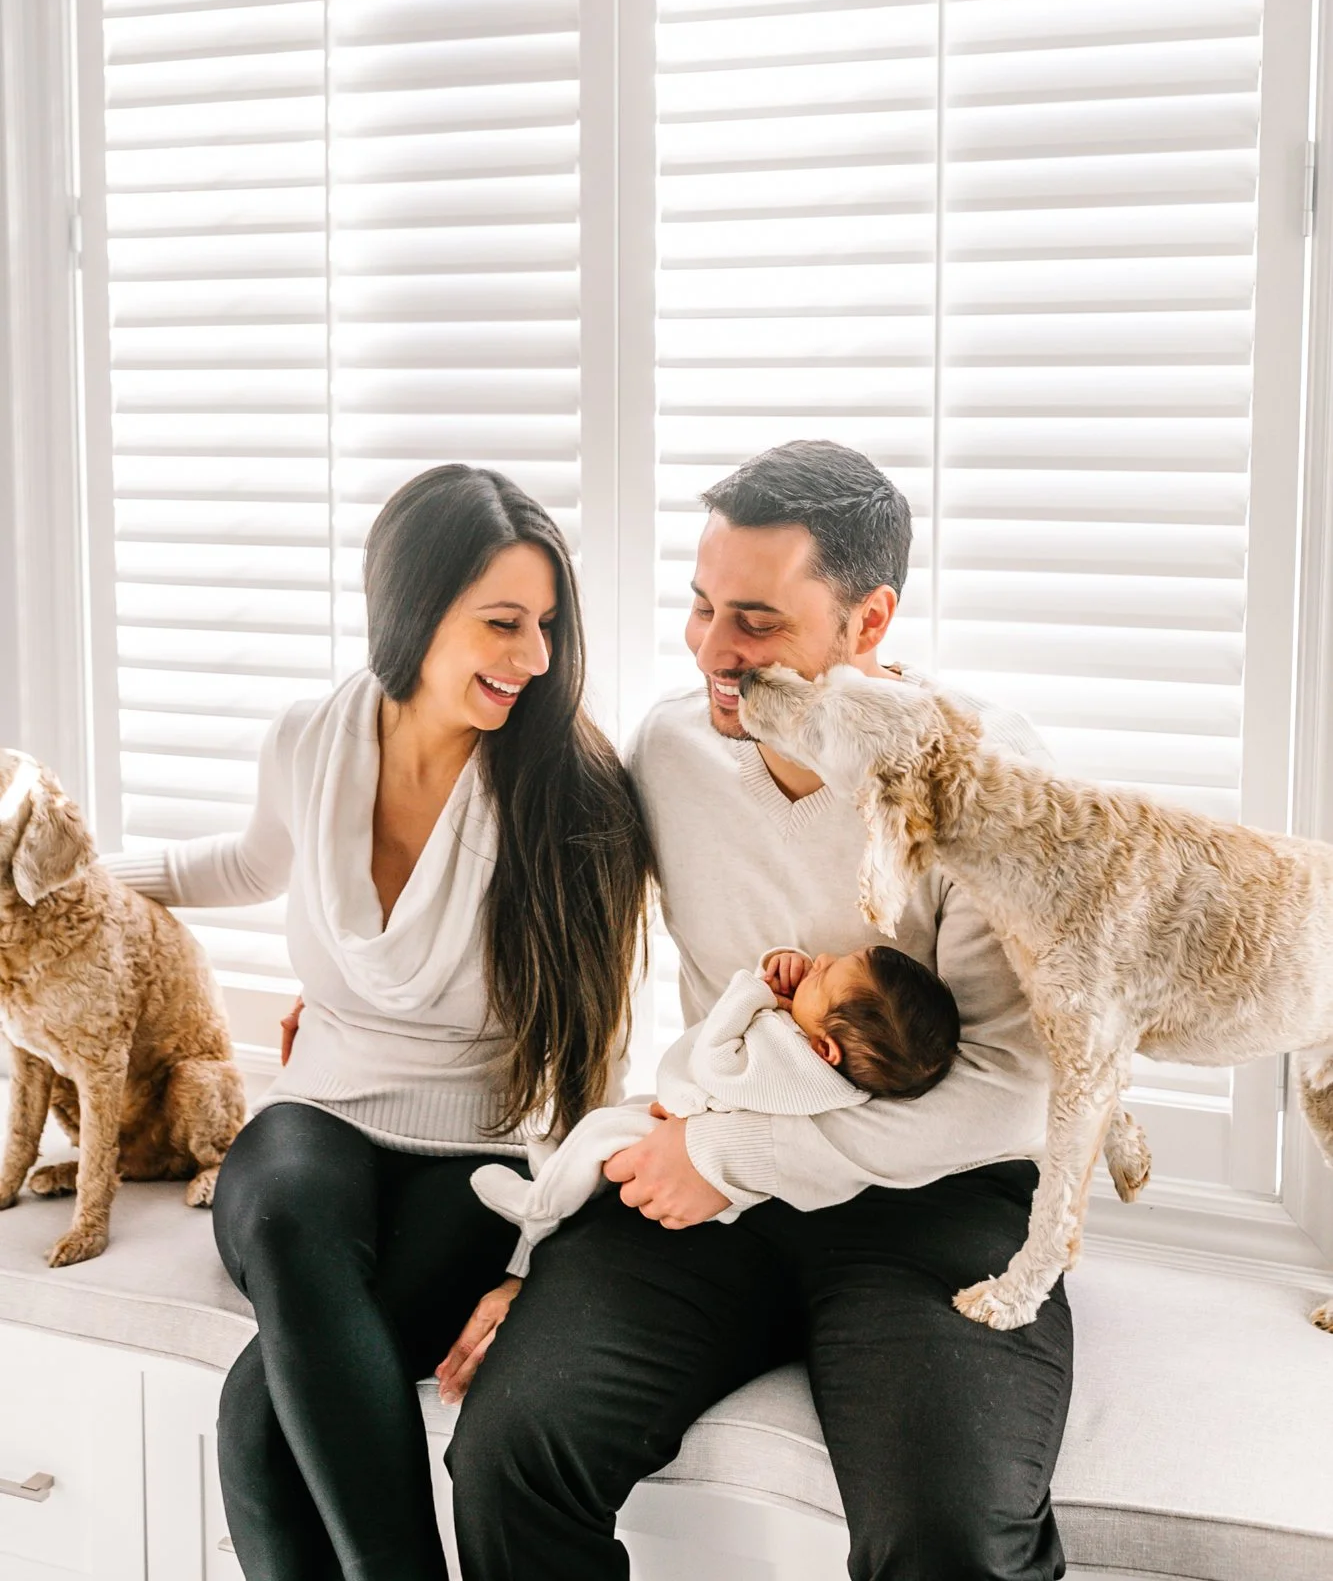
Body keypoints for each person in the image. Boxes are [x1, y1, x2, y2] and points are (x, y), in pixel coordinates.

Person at [442, 439, 1073, 1581]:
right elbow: (570, 955)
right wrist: (547, 1242)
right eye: (698, 606)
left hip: (925, 1197)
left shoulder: (984, 779)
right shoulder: (673, 745)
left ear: (868, 620)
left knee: (951, 1545)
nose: (712, 651)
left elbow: (1014, 1092)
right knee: (509, 1447)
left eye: (758, 622)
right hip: (697, 1177)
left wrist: (732, 1155)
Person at [102, 464, 652, 1581]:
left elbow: (597, 1059)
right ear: (411, 609)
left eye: (547, 625)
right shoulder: (311, 737)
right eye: (502, 622)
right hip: (322, 1109)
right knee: (292, 1219)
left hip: (478, 1152)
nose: (535, 656)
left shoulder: (572, 789)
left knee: (257, 1418)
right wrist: (68, 882)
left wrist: (544, 1258)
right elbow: (248, 861)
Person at [467, 943, 961, 1277]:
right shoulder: (838, 1081)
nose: (823, 956)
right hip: (698, 1135)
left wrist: (755, 990)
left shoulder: (788, 1059)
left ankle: (540, 1207)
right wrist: (797, 982)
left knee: (602, 1129)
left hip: (699, 1142)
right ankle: (566, 1173)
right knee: (607, 1137)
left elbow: (715, 1061)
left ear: (825, 1048)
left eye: (827, 973)